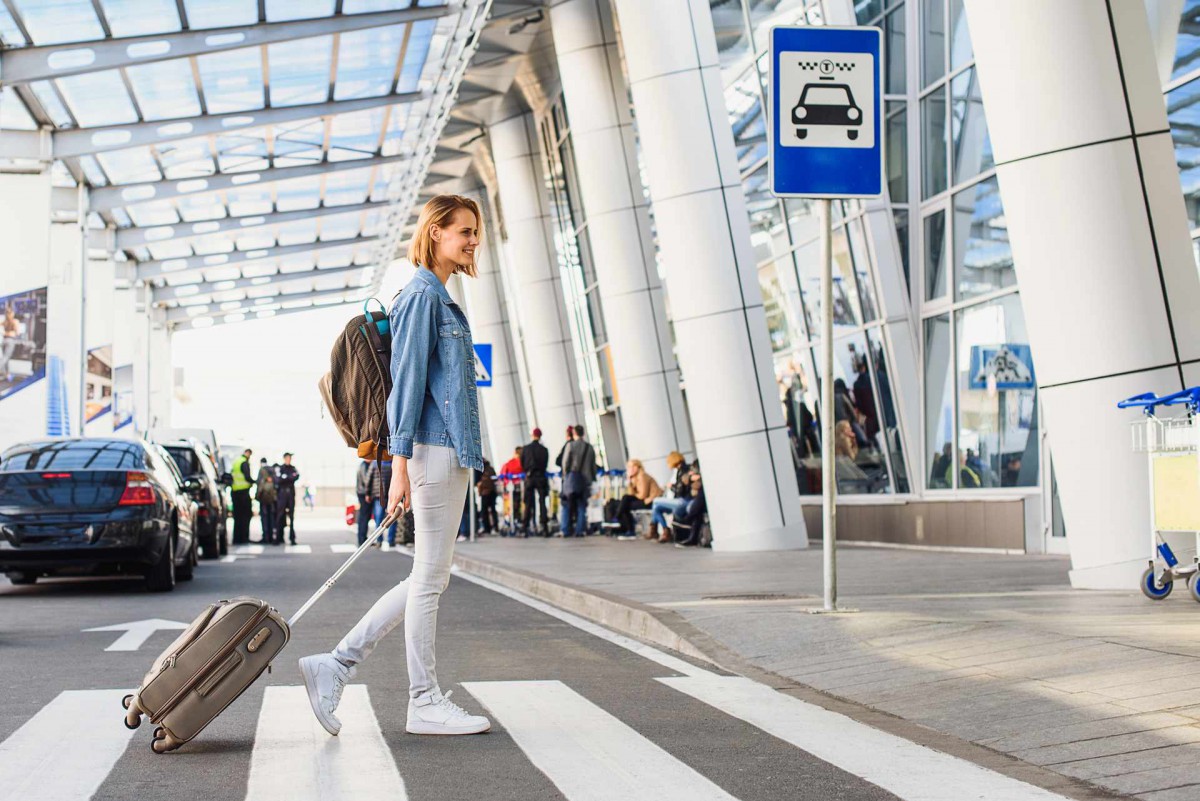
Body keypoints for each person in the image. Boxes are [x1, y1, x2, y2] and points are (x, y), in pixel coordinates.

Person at [299, 194, 490, 739]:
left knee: (428, 576)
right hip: (430, 450)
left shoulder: (439, 296)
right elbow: (404, 389)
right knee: (429, 580)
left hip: (445, 450)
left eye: (475, 232)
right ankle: (423, 700)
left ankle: (335, 664)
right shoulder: (422, 297)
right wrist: (399, 466)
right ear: (435, 233)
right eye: (464, 232)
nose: (474, 240)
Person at [558, 425, 596, 537]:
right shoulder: (589, 447)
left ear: (574, 433)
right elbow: (593, 465)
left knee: (566, 504)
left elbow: (565, 463)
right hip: (585, 480)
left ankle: (565, 529)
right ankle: (580, 530)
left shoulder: (570, 445)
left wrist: (565, 477)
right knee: (581, 505)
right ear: (583, 433)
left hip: (572, 480)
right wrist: (592, 479)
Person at [649, 451, 691, 543]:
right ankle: (665, 530)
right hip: (678, 500)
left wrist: (670, 486)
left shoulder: (684, 471)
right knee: (657, 508)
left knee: (655, 501)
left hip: (683, 500)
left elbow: (680, 491)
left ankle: (655, 530)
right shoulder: (677, 471)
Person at [614, 459, 661, 540]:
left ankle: (621, 522)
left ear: (637, 467)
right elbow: (631, 494)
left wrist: (633, 495)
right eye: (628, 467)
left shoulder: (643, 476)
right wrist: (629, 482)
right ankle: (626, 528)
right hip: (644, 500)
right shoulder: (635, 478)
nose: (629, 469)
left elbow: (643, 495)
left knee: (625, 502)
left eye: (631, 467)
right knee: (623, 502)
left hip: (650, 501)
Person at [520, 427, 550, 537]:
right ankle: (544, 526)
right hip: (541, 477)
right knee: (542, 502)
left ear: (532, 435)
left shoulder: (526, 449)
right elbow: (545, 464)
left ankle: (525, 527)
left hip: (529, 477)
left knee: (528, 503)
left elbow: (522, 463)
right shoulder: (544, 450)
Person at [368, 459, 399, 547]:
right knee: (393, 517)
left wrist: (367, 493)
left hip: (379, 495)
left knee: (379, 518)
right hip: (392, 495)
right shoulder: (394, 462)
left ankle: (379, 540)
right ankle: (391, 540)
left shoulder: (374, 463)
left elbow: (369, 478)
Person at [229, 448, 254, 545]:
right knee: (245, 516)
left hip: (235, 491)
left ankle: (237, 538)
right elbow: (247, 477)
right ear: (248, 453)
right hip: (243, 493)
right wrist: (254, 482)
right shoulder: (244, 462)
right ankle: (244, 538)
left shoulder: (236, 461)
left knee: (237, 517)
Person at [275, 452, 300, 544]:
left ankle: (292, 538)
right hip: (282, 495)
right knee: (280, 515)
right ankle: (278, 537)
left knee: (291, 517)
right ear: (284, 458)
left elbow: (296, 476)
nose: (289, 459)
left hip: (290, 494)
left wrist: (286, 477)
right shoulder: (280, 468)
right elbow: (278, 480)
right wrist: (288, 478)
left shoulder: (293, 468)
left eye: (290, 458)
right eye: (288, 458)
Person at [499, 446, 523, 535]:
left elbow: (503, 473)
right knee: (519, 505)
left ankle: (511, 520)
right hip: (520, 488)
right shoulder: (522, 463)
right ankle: (518, 520)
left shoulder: (510, 463)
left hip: (510, 488)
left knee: (510, 506)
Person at [256, 458, 278, 545]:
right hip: (272, 497)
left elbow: (258, 482)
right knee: (272, 517)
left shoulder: (261, 470)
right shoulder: (272, 470)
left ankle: (266, 536)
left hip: (264, 498)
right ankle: (273, 536)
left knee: (264, 517)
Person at [355, 458, 375, 547]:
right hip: (364, 494)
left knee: (364, 517)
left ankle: (363, 538)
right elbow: (366, 481)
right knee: (364, 517)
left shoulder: (362, 465)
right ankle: (362, 539)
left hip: (362, 493)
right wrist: (368, 494)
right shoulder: (364, 466)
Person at [476, 458, 498, 535]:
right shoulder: (491, 468)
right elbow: (495, 479)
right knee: (493, 510)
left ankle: (487, 528)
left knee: (484, 511)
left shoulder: (480, 469)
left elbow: (477, 481)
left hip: (485, 492)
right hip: (492, 492)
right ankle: (495, 527)